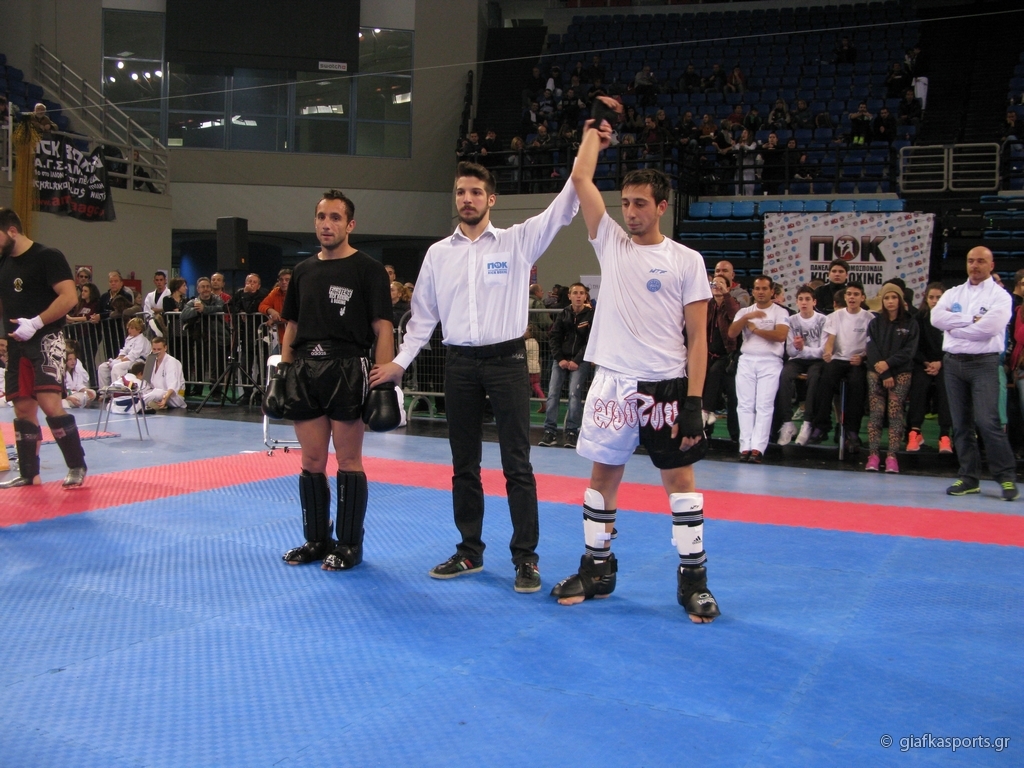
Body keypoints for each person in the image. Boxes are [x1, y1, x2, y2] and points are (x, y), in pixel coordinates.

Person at [369, 161, 579, 593]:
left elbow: (562, 209)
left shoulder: (517, 241)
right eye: (461, 192)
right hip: (460, 364)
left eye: (476, 192)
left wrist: (585, 156)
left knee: (517, 463)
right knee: (463, 464)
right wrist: (400, 363)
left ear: (491, 199)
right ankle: (469, 551)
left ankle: (526, 559)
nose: (467, 199)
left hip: (507, 362)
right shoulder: (438, 254)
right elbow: (422, 318)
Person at [550, 98, 719, 623]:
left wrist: (695, 401)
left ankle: (694, 582)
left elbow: (698, 339)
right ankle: (597, 570)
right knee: (602, 479)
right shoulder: (612, 244)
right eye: (625, 202)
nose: (631, 211)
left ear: (661, 206)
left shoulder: (687, 260)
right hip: (612, 383)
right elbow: (581, 179)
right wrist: (594, 134)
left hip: (665, 385)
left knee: (681, 486)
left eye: (641, 203)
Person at [274, 190, 394, 571]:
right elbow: (292, 326)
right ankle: (316, 539)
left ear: (350, 224)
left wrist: (383, 381)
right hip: (305, 368)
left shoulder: (368, 270)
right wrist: (283, 372)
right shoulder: (303, 271)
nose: (327, 224)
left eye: (336, 217)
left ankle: (349, 544)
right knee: (311, 459)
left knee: (348, 459)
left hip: (348, 367)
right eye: (321, 217)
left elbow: (383, 327)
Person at [0, 207, 88, 489]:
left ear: (12, 231)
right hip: (16, 344)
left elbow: (69, 297)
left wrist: (37, 322)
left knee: (50, 404)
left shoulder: (47, 256)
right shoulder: (2, 263)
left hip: (46, 339)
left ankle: (76, 465)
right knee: (23, 409)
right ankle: (29, 473)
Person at [931, 247, 1018, 500]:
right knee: (960, 424)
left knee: (988, 422)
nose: (975, 265)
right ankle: (969, 478)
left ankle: (1006, 478)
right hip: (954, 364)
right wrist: (972, 320)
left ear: (991, 265)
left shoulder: (1000, 296)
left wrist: (955, 327)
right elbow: (937, 318)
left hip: (984, 364)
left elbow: (989, 328)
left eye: (981, 261)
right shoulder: (953, 292)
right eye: (970, 261)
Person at [806, 282, 873, 453]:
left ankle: (852, 430)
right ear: (845, 297)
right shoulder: (835, 316)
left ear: (862, 298)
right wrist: (828, 353)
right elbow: (830, 340)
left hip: (857, 361)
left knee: (857, 385)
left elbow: (871, 345)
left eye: (856, 294)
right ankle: (821, 426)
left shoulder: (869, 318)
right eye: (849, 294)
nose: (852, 297)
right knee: (824, 380)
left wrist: (863, 357)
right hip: (838, 359)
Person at [728, 275, 790, 463]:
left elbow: (780, 335)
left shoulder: (780, 312)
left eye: (764, 289)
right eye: (757, 289)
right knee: (744, 404)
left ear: (772, 291)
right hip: (747, 359)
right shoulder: (745, 312)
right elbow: (732, 333)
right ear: (753, 292)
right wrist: (746, 318)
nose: (761, 292)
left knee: (764, 405)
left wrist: (755, 330)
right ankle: (745, 446)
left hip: (770, 361)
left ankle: (758, 448)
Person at [864, 283, 919, 473]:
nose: (890, 301)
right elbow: (871, 349)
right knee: (876, 413)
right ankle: (873, 455)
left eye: (894, 297)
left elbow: (909, 351)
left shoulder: (911, 323)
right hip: (877, 372)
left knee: (895, 413)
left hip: (901, 371)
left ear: (900, 300)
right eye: (886, 298)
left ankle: (892, 456)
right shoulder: (875, 323)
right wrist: (884, 372)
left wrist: (889, 365)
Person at [539, 282, 594, 448]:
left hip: (580, 361)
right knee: (553, 393)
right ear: (569, 296)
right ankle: (549, 431)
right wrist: (560, 358)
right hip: (561, 360)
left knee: (574, 394)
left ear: (585, 296)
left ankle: (572, 431)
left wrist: (576, 360)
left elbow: (590, 341)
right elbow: (554, 337)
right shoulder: (563, 314)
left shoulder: (591, 315)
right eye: (575, 293)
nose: (578, 296)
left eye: (581, 293)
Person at [776, 285, 827, 446]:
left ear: (814, 302)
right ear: (797, 302)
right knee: (784, 375)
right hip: (797, 359)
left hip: (816, 361)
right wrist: (797, 348)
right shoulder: (791, 320)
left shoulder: (823, 320)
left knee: (815, 377)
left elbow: (823, 351)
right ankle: (787, 422)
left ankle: (807, 422)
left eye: (807, 299)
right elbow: (790, 352)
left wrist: (803, 349)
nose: (804, 302)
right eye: (801, 299)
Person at [907, 283, 952, 453]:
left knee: (946, 388)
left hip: (946, 363)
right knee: (919, 385)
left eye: (938, 297)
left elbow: (954, 345)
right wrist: (926, 362)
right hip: (923, 363)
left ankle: (945, 435)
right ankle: (915, 431)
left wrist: (940, 362)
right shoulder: (918, 318)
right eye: (931, 297)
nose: (934, 301)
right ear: (926, 298)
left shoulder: (952, 318)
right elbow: (914, 347)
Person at [97, 317, 151, 388]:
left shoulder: (141, 340)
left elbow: (133, 355)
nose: (129, 330)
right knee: (103, 367)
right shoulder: (129, 338)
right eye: (128, 328)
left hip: (137, 361)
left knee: (117, 367)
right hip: (127, 360)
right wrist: (115, 360)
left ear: (139, 329)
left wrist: (118, 362)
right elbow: (124, 351)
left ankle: (117, 390)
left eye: (132, 328)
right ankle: (104, 391)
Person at [142, 336, 186, 410]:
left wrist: (165, 398)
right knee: (145, 392)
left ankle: (136, 404)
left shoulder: (171, 362)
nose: (156, 352)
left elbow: (173, 384)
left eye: (159, 349)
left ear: (165, 348)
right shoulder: (151, 361)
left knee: (157, 393)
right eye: (154, 349)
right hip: (157, 392)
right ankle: (148, 403)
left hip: (173, 396)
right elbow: (146, 383)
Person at [259, 268, 292, 354]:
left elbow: (294, 315)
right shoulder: (275, 292)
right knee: (273, 360)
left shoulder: (298, 292)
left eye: (287, 280)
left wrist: (275, 320)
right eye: (281, 279)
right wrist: (271, 311)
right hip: (282, 340)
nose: (284, 282)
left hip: (296, 339)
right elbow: (262, 306)